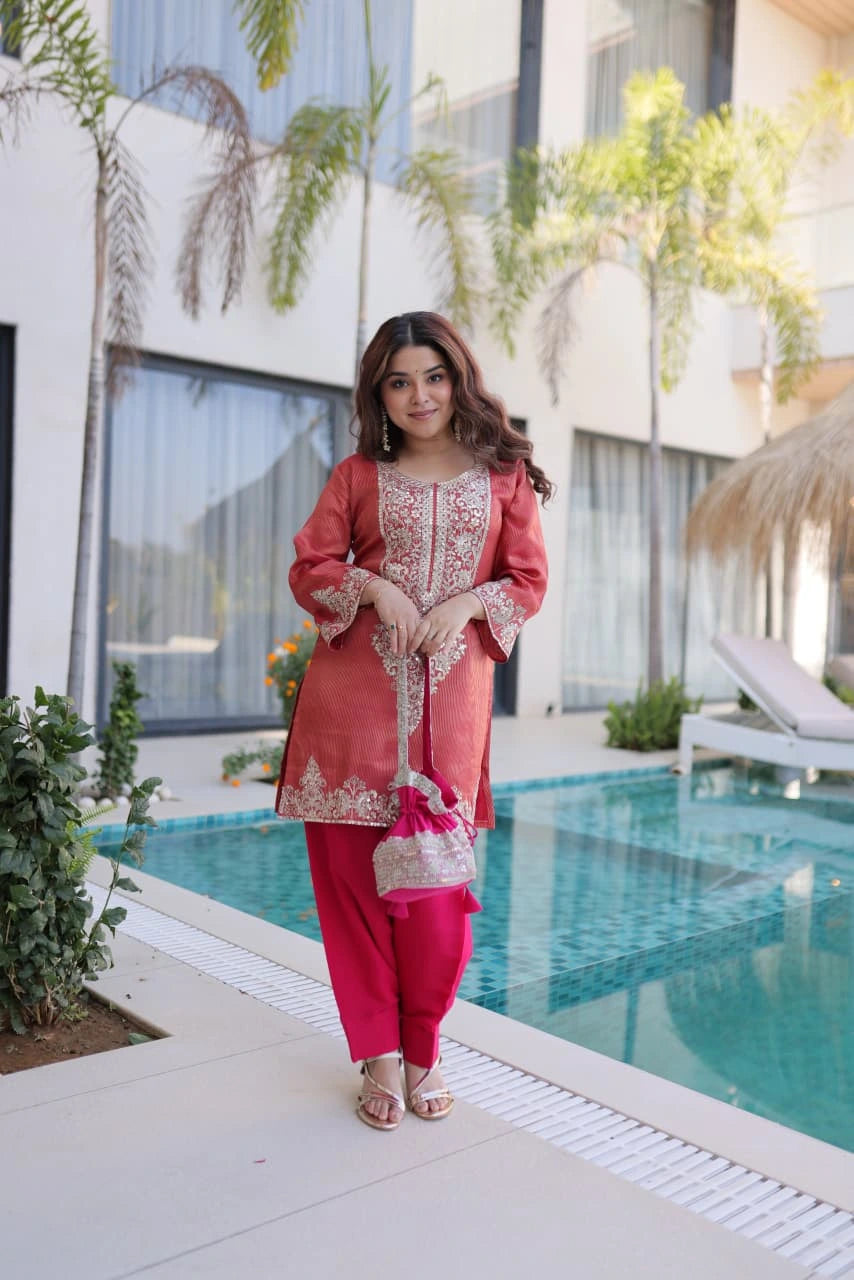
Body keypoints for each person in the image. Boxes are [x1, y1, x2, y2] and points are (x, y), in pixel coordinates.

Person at [276, 311, 551, 1131]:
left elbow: (528, 580)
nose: (419, 395)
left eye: (433, 376)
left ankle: (424, 1045)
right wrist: (373, 587)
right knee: (354, 898)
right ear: (379, 394)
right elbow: (310, 565)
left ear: (458, 379)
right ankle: (381, 1057)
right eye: (399, 382)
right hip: (350, 711)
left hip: (449, 716)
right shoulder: (358, 475)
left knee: (435, 898)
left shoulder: (503, 477)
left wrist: (468, 603)